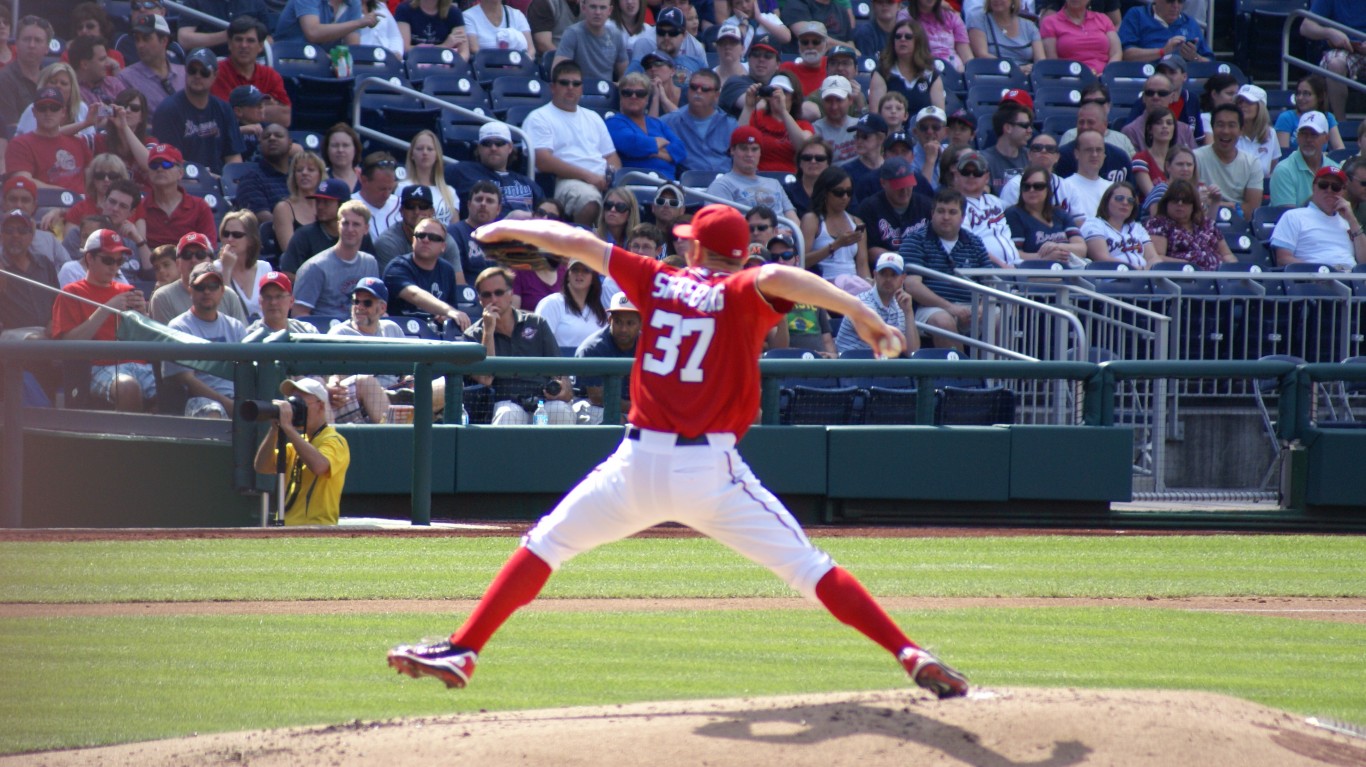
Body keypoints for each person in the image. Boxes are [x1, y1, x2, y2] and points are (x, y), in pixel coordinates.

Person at [387, 202, 968, 700]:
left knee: (545, 545)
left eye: (691, 243)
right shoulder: (744, 287)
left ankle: (465, 647)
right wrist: (864, 314)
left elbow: (578, 241)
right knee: (809, 568)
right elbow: (792, 279)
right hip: (710, 471)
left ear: (697, 251)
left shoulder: (654, 277)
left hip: (637, 465)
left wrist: (510, 227)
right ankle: (908, 652)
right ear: (741, 256)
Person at [49, 229, 156, 412]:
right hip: (99, 367)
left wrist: (143, 316)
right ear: (89, 258)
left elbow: (146, 340)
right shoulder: (72, 292)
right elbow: (68, 343)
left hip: (140, 364)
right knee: (128, 387)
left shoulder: (127, 290)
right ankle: (130, 441)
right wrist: (107, 308)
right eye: (108, 260)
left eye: (119, 261)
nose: (114, 267)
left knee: (176, 385)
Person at [461, 265, 567, 425]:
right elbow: (485, 378)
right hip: (503, 403)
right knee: (508, 414)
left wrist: (561, 389)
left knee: (562, 411)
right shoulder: (472, 334)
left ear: (510, 293)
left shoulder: (537, 323)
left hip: (542, 402)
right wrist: (488, 332)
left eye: (499, 292)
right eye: (486, 295)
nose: (494, 299)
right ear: (480, 299)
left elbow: (560, 374)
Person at [523, 61, 622, 226]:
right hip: (565, 180)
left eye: (576, 83)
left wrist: (610, 178)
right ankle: (579, 247)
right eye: (564, 83)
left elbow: (611, 156)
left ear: (582, 89)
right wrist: (589, 177)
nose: (571, 87)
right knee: (588, 200)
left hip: (601, 181)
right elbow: (543, 160)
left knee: (629, 200)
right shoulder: (539, 117)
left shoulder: (593, 117)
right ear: (553, 87)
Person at [900, 187, 992, 351]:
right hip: (929, 309)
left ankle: (997, 376)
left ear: (963, 217)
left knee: (997, 317)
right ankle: (961, 376)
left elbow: (991, 283)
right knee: (943, 321)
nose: (946, 217)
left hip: (971, 306)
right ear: (932, 213)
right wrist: (950, 307)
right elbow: (912, 285)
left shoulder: (975, 242)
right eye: (941, 211)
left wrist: (980, 308)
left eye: (952, 212)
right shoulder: (915, 240)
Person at [252, 377, 351, 526]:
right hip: (286, 528)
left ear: (321, 406)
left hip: (317, 530)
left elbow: (320, 466)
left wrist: (289, 429)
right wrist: (274, 430)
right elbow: (261, 466)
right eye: (293, 402)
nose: (295, 409)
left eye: (300, 403)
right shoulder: (298, 444)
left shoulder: (335, 440)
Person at [165, 261, 248, 418]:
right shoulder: (179, 327)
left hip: (237, 397)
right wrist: (226, 403)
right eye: (201, 287)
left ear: (222, 291)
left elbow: (247, 372)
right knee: (212, 411)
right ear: (191, 291)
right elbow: (186, 379)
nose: (207, 291)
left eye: (213, 286)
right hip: (200, 399)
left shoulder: (235, 326)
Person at [152, 48, 244, 174]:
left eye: (204, 72)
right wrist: (205, 176)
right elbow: (170, 159)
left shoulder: (224, 108)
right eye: (192, 71)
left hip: (220, 183)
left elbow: (233, 156)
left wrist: (230, 181)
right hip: (183, 180)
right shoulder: (168, 110)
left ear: (215, 75)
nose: (197, 76)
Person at [293, 200, 382, 316]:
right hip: (324, 331)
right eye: (345, 223)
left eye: (356, 224)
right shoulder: (315, 267)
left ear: (366, 229)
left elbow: (375, 307)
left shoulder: (370, 263)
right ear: (338, 225)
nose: (350, 229)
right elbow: (299, 314)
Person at [382, 215, 472, 328]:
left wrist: (446, 316)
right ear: (413, 240)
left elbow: (451, 307)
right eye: (420, 235)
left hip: (435, 337)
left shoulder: (447, 270)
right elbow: (414, 295)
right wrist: (449, 311)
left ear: (443, 246)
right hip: (402, 334)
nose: (425, 240)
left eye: (433, 237)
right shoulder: (397, 267)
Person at [1271, 166, 1366, 270]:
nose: (1329, 190)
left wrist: (1352, 220)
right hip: (1314, 280)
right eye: (1323, 185)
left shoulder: (1348, 223)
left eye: (1336, 187)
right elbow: (1283, 259)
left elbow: (1364, 262)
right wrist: (1320, 271)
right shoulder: (1293, 216)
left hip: (1351, 280)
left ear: (1343, 191)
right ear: (1314, 187)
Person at [280, 178, 377, 277]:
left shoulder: (357, 234)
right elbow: (288, 273)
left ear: (342, 204)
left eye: (326, 202)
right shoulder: (304, 235)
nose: (320, 207)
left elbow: (371, 270)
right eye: (318, 202)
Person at [4, 88, 92, 194]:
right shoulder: (20, 144)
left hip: (82, 205)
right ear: (34, 112)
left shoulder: (78, 142)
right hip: (44, 204)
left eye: (54, 108)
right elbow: (23, 181)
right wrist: (69, 194)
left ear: (63, 112)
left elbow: (92, 178)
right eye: (42, 108)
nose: (48, 113)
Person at [151, 232, 250, 323]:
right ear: (178, 264)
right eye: (187, 255)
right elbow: (168, 340)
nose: (193, 260)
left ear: (211, 261)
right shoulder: (163, 297)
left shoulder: (228, 295)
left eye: (200, 254)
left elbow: (242, 339)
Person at [211, 17, 291, 128]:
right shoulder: (216, 73)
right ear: (229, 44)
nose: (244, 45)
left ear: (260, 46)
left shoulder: (271, 75)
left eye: (250, 40)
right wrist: (265, 105)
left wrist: (243, 110)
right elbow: (223, 116)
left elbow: (284, 117)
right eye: (239, 39)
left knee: (296, 146)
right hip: (229, 140)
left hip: (265, 140)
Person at [448, 121, 543, 215]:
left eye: (499, 143)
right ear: (479, 148)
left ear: (510, 147)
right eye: (487, 143)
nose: (493, 148)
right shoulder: (460, 171)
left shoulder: (526, 182)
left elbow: (545, 214)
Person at [832, 251, 918, 355]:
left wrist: (909, 312)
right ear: (875, 275)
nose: (888, 279)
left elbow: (912, 352)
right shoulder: (861, 303)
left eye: (893, 275)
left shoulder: (901, 305)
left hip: (876, 366)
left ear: (902, 278)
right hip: (851, 366)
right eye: (883, 274)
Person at [607, 72, 688, 179]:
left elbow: (681, 149)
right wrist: (657, 144)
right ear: (621, 96)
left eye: (640, 93)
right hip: (634, 183)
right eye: (627, 92)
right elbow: (632, 144)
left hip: (668, 185)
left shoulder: (657, 123)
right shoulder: (613, 122)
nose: (633, 96)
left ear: (647, 98)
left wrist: (648, 151)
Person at [707, 127, 799, 222]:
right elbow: (720, 224)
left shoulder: (774, 184)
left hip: (784, 235)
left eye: (754, 149)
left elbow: (793, 219)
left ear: (760, 153)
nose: (749, 154)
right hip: (750, 234)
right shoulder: (722, 185)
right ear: (732, 150)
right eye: (744, 149)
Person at [572, 291, 640, 419]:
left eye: (630, 323)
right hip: (589, 406)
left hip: (633, 407)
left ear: (640, 324)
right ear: (610, 320)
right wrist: (640, 409)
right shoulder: (592, 348)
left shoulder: (648, 347)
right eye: (618, 322)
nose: (624, 329)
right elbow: (597, 397)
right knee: (614, 419)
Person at [1146, 179, 1236, 271]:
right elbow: (1157, 258)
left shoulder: (1207, 224)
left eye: (1185, 200)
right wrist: (1190, 265)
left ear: (1193, 205)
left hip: (1218, 278)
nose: (1180, 204)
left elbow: (1227, 255)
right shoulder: (1158, 224)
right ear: (1166, 203)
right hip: (1182, 278)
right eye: (1175, 200)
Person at [143, 144, 219, 251]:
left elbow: (209, 249)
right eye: (154, 165)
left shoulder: (199, 207)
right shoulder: (140, 207)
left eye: (166, 164)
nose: (159, 169)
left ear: (180, 173)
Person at [1300, 0, 1366, 124]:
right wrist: (1329, 33)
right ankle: (1340, 125)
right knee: (1335, 64)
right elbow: (1306, 27)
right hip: (1341, 49)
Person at [1192, 104, 1263, 216]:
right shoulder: (1195, 158)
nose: (1225, 131)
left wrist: (1212, 203)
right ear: (1212, 128)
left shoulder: (1252, 163)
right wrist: (1226, 205)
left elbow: (1251, 209)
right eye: (1220, 125)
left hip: (1238, 224)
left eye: (1232, 125)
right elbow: (1190, 202)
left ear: (1241, 130)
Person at [858, 156, 933, 262]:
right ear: (883, 183)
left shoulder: (926, 205)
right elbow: (869, 251)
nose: (904, 190)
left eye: (908, 184)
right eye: (899, 186)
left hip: (921, 266)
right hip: (884, 269)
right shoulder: (869, 207)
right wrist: (901, 258)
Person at [868, 20, 945, 122]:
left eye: (908, 37)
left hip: (923, 132)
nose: (902, 39)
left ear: (918, 41)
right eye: (898, 36)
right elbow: (875, 117)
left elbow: (940, 116)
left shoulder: (931, 75)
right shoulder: (882, 73)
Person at [1006, 165, 1085, 264]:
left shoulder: (1060, 213)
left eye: (1038, 186)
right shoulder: (1014, 214)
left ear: (1048, 189)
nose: (1031, 190)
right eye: (1026, 186)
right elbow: (1014, 254)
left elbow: (1082, 249)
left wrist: (1057, 246)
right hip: (1035, 273)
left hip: (1068, 271)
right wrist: (1044, 258)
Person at [802, 166, 869, 283]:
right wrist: (836, 245)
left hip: (853, 285)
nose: (845, 197)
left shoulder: (857, 222)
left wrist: (869, 289)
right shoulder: (812, 220)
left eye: (849, 192)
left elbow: (862, 265)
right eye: (839, 193)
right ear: (825, 193)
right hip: (822, 284)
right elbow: (801, 261)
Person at [661, 69, 736, 175]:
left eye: (705, 89)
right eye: (693, 87)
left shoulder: (730, 124)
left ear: (716, 95)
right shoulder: (668, 122)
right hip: (687, 185)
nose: (698, 91)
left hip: (724, 185)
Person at [955, 150, 1021, 268]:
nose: (971, 176)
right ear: (956, 175)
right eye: (966, 172)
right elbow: (970, 245)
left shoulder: (995, 201)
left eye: (977, 172)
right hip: (985, 269)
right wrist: (1002, 266)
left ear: (986, 178)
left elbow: (1025, 213)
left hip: (1014, 265)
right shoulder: (954, 206)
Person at [375, 184, 463, 272]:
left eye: (423, 206)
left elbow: (459, 281)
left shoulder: (443, 238)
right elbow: (392, 283)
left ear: (432, 211)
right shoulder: (388, 242)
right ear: (401, 211)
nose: (417, 212)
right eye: (410, 206)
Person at [738, 71, 813, 174]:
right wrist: (748, 107)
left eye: (784, 92)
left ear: (794, 97)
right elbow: (738, 141)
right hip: (758, 176)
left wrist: (783, 111)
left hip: (790, 178)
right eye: (774, 91)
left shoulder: (803, 125)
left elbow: (803, 147)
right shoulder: (757, 117)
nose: (778, 96)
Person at [0, 208, 59, 334]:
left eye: (22, 231)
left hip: (47, 334)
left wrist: (54, 321)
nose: (15, 235)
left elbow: (58, 302)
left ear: (31, 236)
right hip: (11, 336)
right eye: (9, 230)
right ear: (1, 235)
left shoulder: (44, 263)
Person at [0, 16, 53, 148]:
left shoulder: (52, 79)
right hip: (18, 148)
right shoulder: (4, 79)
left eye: (38, 40)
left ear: (47, 48)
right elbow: (11, 129)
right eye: (26, 39)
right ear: (16, 44)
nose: (31, 45)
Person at [1270, 112, 1342, 209]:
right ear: (1298, 137)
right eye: (1303, 134)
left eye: (1314, 135)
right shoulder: (1283, 170)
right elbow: (1288, 216)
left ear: (1326, 138)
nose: (1308, 139)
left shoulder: (1336, 169)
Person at [114, 15, 183, 114]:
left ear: (164, 41)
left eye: (146, 39)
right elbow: (114, 113)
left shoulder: (184, 73)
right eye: (137, 39)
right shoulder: (126, 78)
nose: (140, 45)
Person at [535, 258, 609, 349]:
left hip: (593, 362)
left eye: (585, 270)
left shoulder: (599, 310)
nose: (579, 274)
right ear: (568, 275)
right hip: (559, 362)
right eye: (575, 270)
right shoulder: (552, 303)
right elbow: (538, 343)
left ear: (593, 277)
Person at [1082, 181, 1154, 268]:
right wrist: (1133, 270)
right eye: (1119, 198)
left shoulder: (1137, 227)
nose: (1125, 203)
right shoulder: (1093, 224)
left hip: (1143, 278)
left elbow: (1153, 258)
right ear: (1106, 201)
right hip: (1112, 278)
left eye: (1130, 200)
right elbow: (1101, 258)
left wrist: (1145, 272)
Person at [217, 210, 273, 320]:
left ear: (251, 240)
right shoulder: (214, 269)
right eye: (226, 234)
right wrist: (226, 270)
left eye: (237, 235)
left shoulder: (264, 268)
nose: (229, 239)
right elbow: (223, 309)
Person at [553, 0, 626, 83]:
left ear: (609, 11)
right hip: (579, 90)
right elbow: (558, 72)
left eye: (602, 8)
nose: (598, 12)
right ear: (583, 8)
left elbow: (625, 74)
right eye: (593, 7)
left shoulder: (616, 35)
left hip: (607, 91)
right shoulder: (572, 34)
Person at [398, 129, 460, 227]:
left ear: (437, 155)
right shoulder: (402, 187)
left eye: (430, 149)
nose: (425, 152)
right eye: (419, 148)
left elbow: (455, 229)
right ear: (412, 155)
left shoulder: (450, 192)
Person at [1119, 73, 1196, 152]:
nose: (1155, 97)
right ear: (1144, 98)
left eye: (1162, 93)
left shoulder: (1185, 130)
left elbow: (1194, 162)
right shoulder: (1131, 131)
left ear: (1172, 97)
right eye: (1150, 93)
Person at [233, 122, 294, 222]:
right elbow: (264, 221)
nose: (272, 138)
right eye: (266, 137)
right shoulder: (251, 179)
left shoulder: (300, 173)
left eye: (278, 136)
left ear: (290, 143)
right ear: (260, 144)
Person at [1040, 0, 1119, 76]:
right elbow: (1053, 62)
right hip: (1069, 78)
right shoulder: (1050, 22)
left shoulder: (1103, 19)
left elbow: (1116, 52)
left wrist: (1107, 74)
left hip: (1105, 79)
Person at [1117, 0, 1210, 64]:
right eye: (1170, 1)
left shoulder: (1190, 23)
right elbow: (1126, 54)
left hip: (1184, 78)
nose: (1176, 6)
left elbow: (1210, 63)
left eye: (1180, 1)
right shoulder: (1137, 15)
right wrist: (1162, 52)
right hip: (1147, 76)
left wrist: (1195, 57)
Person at [627, 7, 707, 81]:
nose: (666, 37)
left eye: (673, 33)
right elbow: (625, 84)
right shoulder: (643, 61)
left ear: (684, 35)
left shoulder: (696, 62)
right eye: (661, 32)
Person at [967, 0, 1042, 76]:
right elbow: (982, 55)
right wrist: (1016, 69)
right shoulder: (978, 19)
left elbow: (1040, 61)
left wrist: (1032, 70)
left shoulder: (1029, 26)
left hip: (1026, 77)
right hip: (994, 76)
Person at [273, 151, 327, 253]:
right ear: (294, 176)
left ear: (320, 175)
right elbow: (290, 253)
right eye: (299, 170)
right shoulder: (283, 208)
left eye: (311, 170)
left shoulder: (328, 206)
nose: (304, 173)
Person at [1275, 75, 1346, 152]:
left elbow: (1340, 149)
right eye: (1298, 93)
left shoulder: (1328, 117)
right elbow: (1284, 154)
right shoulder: (1286, 118)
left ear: (1320, 97)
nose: (1300, 98)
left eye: (1306, 94)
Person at [1060, 130, 1117, 221]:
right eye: (1088, 150)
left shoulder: (1113, 188)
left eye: (1099, 150)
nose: (1094, 155)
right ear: (1077, 154)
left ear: (1104, 155)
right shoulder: (1064, 186)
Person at [981, 101, 1033, 196]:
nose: (1030, 130)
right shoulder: (984, 160)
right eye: (1025, 126)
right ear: (1008, 128)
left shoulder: (1031, 157)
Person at [274, 0, 379, 45]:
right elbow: (313, 33)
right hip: (291, 58)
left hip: (325, 64)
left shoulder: (354, 3)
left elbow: (352, 46)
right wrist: (358, 23)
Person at [245, 270, 318, 335]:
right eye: (267, 297)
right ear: (260, 302)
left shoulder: (307, 331)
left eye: (279, 296)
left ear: (291, 301)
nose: (273, 302)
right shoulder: (249, 336)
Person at [68, 35, 127, 111]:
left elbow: (130, 111)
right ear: (84, 64)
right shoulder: (72, 92)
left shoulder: (113, 83)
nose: (108, 63)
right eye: (102, 59)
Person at [353, 151, 402, 242]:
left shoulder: (402, 205)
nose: (386, 194)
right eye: (382, 189)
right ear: (364, 180)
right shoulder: (348, 205)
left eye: (390, 189)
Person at [912, 0, 972, 72]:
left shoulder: (952, 17)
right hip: (923, 71)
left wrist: (971, 74)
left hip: (955, 71)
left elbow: (966, 56)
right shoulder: (906, 17)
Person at [1235, 85, 1280, 181]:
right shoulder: (1231, 133)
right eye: (1240, 101)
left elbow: (1272, 168)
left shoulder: (1271, 134)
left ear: (1260, 106)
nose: (1243, 105)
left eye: (1248, 101)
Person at [1129, 107, 1176, 199]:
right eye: (1159, 123)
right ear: (1149, 129)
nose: (1165, 126)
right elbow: (1151, 195)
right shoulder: (1140, 158)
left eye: (1169, 123)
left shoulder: (1179, 158)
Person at [811, 75, 859, 164]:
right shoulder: (815, 130)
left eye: (839, 100)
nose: (834, 106)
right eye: (828, 100)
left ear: (850, 100)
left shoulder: (860, 126)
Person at [398, 0, 474, 55]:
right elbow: (405, 48)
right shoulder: (405, 9)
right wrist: (444, 46)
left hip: (445, 64)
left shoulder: (454, 13)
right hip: (415, 64)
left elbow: (464, 52)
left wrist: (457, 65)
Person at [784, 136, 833, 217]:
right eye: (807, 158)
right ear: (799, 162)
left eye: (819, 158)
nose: (813, 161)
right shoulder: (786, 191)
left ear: (828, 163)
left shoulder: (838, 189)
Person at [324, 122, 364, 193]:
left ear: (355, 149)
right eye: (335, 145)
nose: (340, 150)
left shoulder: (366, 179)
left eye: (345, 145)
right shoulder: (320, 180)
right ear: (327, 149)